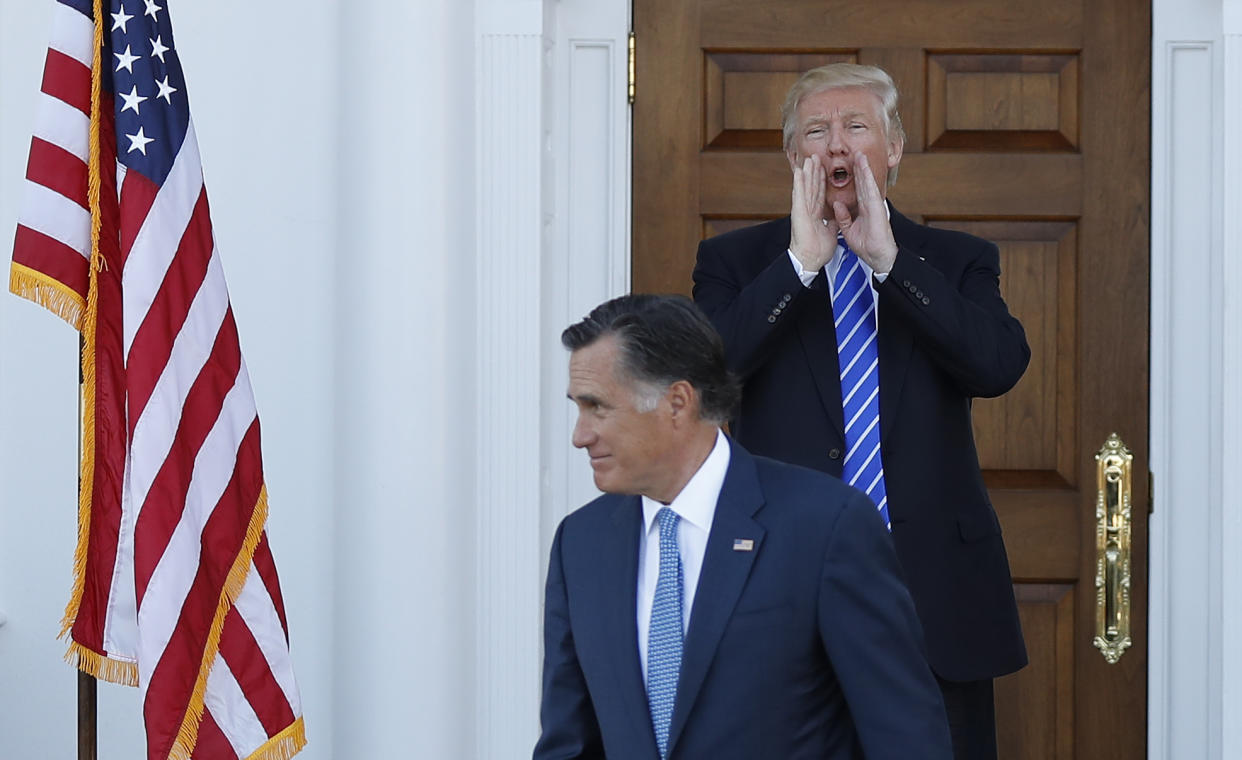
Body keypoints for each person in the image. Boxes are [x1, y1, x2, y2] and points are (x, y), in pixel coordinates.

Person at [691, 63, 1030, 759]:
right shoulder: (736, 262)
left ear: (895, 148)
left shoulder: (956, 261)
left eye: (857, 127)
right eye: (816, 131)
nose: (837, 146)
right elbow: (704, 377)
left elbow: (997, 366)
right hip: (781, 588)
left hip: (935, 597)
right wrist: (799, 265)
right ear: (794, 158)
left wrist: (889, 262)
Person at [533, 293, 952, 759]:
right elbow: (569, 744)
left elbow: (905, 735)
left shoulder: (826, 526)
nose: (580, 435)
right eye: (578, 407)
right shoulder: (581, 544)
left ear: (676, 402)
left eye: (598, 407)